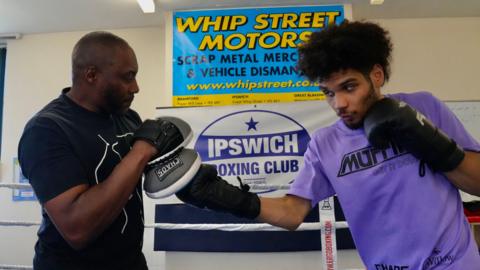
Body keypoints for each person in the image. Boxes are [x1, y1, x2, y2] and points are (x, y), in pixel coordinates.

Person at [175, 21, 480, 269]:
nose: (340, 103)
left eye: (349, 87)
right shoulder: (326, 144)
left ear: (377, 75)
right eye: (329, 93)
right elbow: (292, 212)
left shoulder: (423, 107)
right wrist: (224, 197)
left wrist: (430, 142)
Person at [18, 31, 185, 269]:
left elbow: (156, 172)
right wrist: (140, 152)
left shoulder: (127, 118)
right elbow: (77, 227)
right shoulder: (47, 129)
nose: (136, 87)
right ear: (91, 75)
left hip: (131, 262)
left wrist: (198, 177)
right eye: (128, 77)